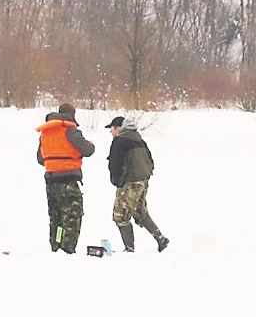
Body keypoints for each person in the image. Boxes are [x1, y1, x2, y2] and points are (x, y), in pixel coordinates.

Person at [36, 102, 95, 253]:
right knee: (72, 217)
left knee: (56, 218)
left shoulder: (46, 132)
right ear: (73, 115)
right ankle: (67, 249)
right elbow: (87, 150)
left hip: (50, 181)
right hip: (68, 181)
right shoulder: (70, 131)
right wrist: (90, 144)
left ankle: (56, 245)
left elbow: (40, 159)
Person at [106, 116, 170, 253]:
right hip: (143, 181)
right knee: (139, 212)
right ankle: (160, 238)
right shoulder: (139, 140)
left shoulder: (120, 142)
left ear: (118, 128)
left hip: (129, 182)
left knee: (120, 215)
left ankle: (129, 248)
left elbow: (115, 164)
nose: (111, 132)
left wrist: (117, 181)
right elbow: (150, 161)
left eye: (111, 129)